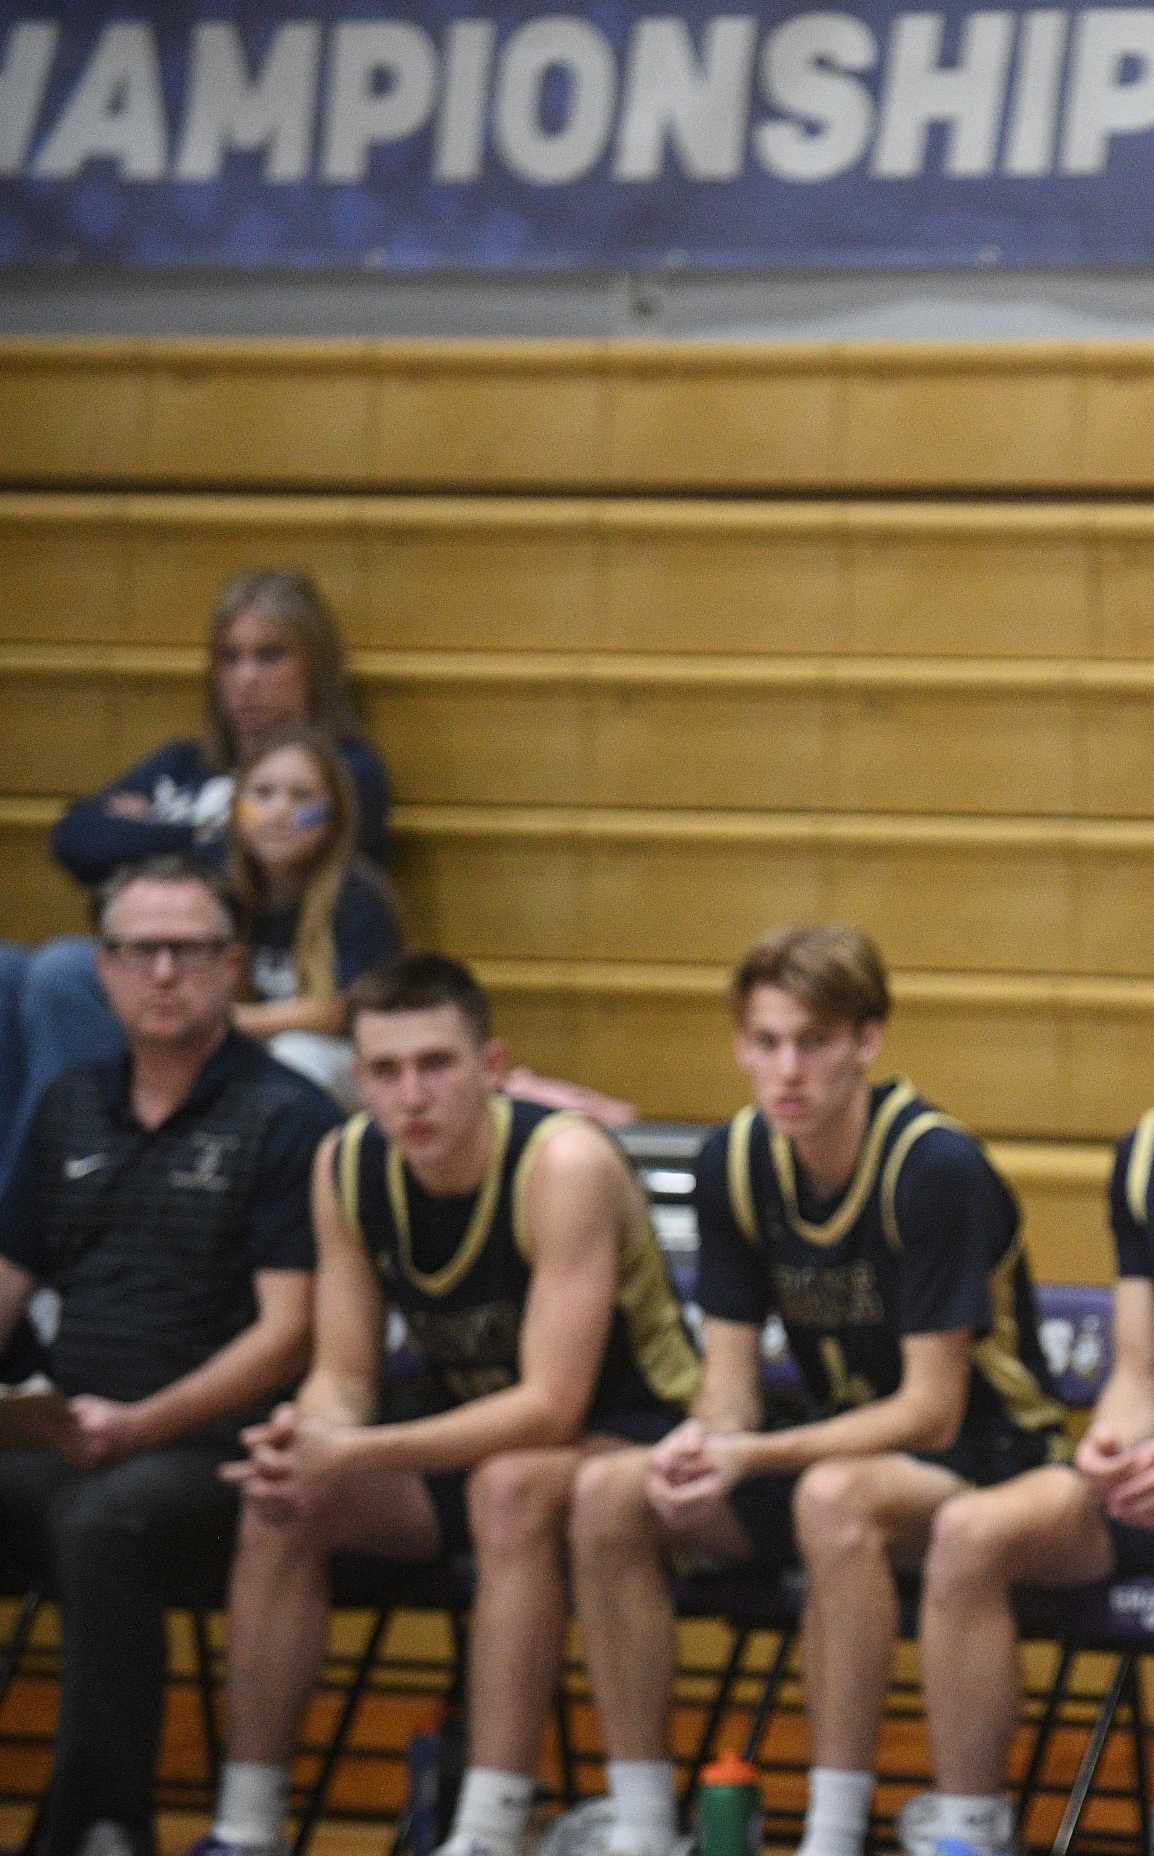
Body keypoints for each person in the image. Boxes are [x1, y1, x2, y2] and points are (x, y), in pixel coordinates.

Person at [560, 925, 1059, 1856]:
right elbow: (732, 1390)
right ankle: (637, 1825)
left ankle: (829, 1833)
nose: (787, 1069)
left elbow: (931, 1410)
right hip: (831, 1444)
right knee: (607, 1495)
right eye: (766, 1042)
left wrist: (753, 1452)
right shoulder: (735, 1164)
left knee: (833, 1499)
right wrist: (704, 1444)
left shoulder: (933, 1165)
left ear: (866, 1040)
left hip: (984, 1456)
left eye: (813, 1042)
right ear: (741, 1045)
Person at [193, 954, 700, 1856]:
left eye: (437, 1065)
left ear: (494, 1068)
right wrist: (307, 1435)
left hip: (631, 1437)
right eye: (386, 1073)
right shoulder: (344, 1166)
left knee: (508, 1484)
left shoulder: (563, 1163)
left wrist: (355, 1452)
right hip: (465, 1446)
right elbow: (344, 1376)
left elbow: (551, 1405)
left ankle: (485, 1830)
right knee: (282, 1498)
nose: (412, 1095)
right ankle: (245, 1826)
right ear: (358, 1083)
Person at [910, 891, 1154, 1856]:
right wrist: (1116, 1438)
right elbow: (1143, 1368)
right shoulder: (1150, 1152)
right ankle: (970, 1829)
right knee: (968, 1531)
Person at [0, 858, 335, 1856]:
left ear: (231, 965)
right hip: (68, 1428)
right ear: (101, 970)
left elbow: (290, 1332)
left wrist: (143, 1423)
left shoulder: (287, 1115)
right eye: (138, 949)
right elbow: (8, 1279)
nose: (162, 972)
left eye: (187, 949)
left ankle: (102, 1827)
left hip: (213, 1450)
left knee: (106, 1517)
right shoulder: (68, 1104)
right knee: (78, 1497)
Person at [1, 570, 392, 1192]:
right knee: (8, 973)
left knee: (60, 971)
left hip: (241, 1007)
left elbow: (280, 859)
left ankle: (58, 1197)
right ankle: (21, 1206)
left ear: (314, 667)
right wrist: (203, 836)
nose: (246, 678)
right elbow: (76, 838)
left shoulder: (348, 768)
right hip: (167, 968)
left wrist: (165, 829)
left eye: (270, 655)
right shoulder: (188, 762)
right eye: (230, 657)